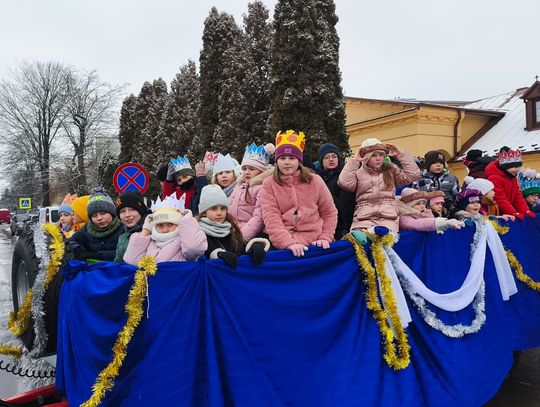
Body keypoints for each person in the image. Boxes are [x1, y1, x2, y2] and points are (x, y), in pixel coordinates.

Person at [261, 130, 338, 257]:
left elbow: (329, 212)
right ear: (276, 161)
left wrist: (325, 237)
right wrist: (287, 243)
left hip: (315, 240)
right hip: (282, 242)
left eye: (292, 158)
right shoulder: (269, 183)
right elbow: (271, 217)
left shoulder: (315, 181)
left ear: (299, 161)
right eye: (282, 158)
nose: (287, 162)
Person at [338, 138, 421, 235]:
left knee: (386, 240)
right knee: (360, 241)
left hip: (388, 217)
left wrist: (400, 155)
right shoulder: (358, 173)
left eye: (381, 155)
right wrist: (354, 161)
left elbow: (413, 175)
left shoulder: (391, 170)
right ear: (366, 157)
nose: (378, 158)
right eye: (374, 155)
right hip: (363, 217)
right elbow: (344, 183)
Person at [198, 185, 270, 268]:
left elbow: (240, 249)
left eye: (223, 208)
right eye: (213, 209)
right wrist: (217, 254)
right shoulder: (198, 232)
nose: (219, 213)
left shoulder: (231, 229)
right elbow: (197, 258)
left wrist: (255, 245)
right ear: (204, 212)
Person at [123, 195, 207, 265]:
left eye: (170, 224)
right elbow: (131, 260)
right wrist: (145, 230)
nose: (165, 230)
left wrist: (187, 219)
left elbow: (194, 249)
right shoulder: (150, 241)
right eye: (160, 225)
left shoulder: (184, 242)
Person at [229, 143, 274, 241]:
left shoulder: (262, 188)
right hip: (232, 230)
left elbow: (259, 218)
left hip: (249, 234)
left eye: (252, 169)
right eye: (244, 168)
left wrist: (242, 237)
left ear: (261, 170)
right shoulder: (239, 185)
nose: (247, 172)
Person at [69, 188, 124, 262]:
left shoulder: (124, 227)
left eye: (103, 213)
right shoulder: (88, 228)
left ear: (112, 213)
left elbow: (127, 252)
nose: (99, 218)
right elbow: (72, 242)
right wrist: (79, 250)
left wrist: (100, 255)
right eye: (94, 215)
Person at [316, 143, 356, 240]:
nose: (331, 159)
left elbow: (346, 202)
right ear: (321, 161)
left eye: (334, 156)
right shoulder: (317, 177)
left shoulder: (345, 175)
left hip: (344, 221)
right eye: (326, 157)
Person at [485, 148, 535, 219]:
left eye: (519, 167)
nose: (517, 170)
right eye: (515, 167)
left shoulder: (512, 177)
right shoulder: (495, 178)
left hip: (509, 212)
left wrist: (525, 211)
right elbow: (500, 198)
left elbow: (517, 196)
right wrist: (512, 212)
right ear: (506, 167)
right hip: (499, 214)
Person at [397, 188, 464, 233]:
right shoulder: (404, 216)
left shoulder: (425, 214)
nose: (422, 206)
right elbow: (416, 224)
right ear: (408, 206)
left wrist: (436, 229)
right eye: (418, 204)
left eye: (423, 203)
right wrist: (442, 223)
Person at [114, 191, 151, 263]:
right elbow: (117, 263)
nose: (127, 215)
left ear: (141, 211)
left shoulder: (152, 232)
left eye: (132, 209)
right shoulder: (122, 237)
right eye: (122, 211)